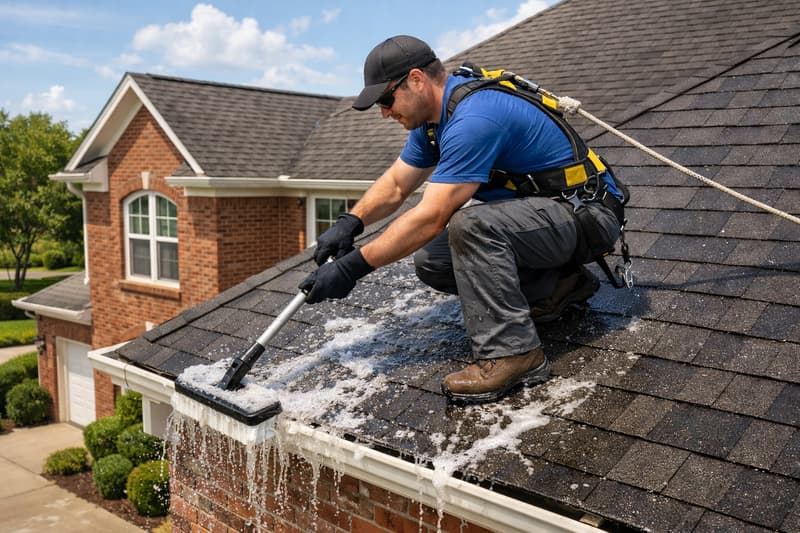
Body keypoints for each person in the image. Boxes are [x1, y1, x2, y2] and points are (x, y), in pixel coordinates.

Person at [299, 35, 623, 403]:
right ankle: (560, 285)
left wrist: (351, 268)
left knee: (470, 226)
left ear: (417, 80)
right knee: (434, 260)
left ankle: (514, 354)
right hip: (545, 220)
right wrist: (349, 222)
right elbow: (394, 185)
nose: (384, 112)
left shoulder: (475, 118)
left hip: (587, 217)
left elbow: (432, 216)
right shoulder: (433, 122)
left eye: (386, 99)